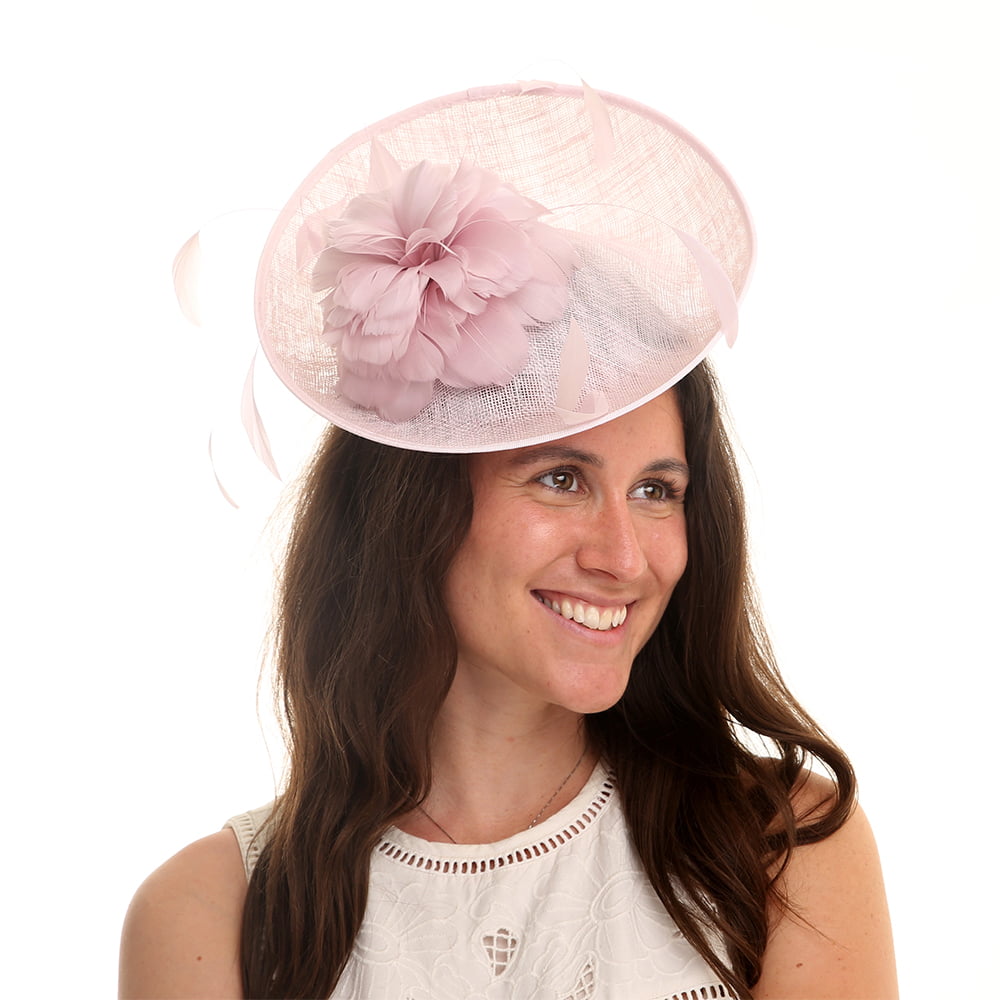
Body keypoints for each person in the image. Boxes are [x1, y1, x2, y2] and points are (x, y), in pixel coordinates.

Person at [119, 83, 896, 999]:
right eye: (561, 478)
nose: (623, 556)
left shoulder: (781, 847)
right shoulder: (212, 915)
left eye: (657, 491)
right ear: (412, 509)